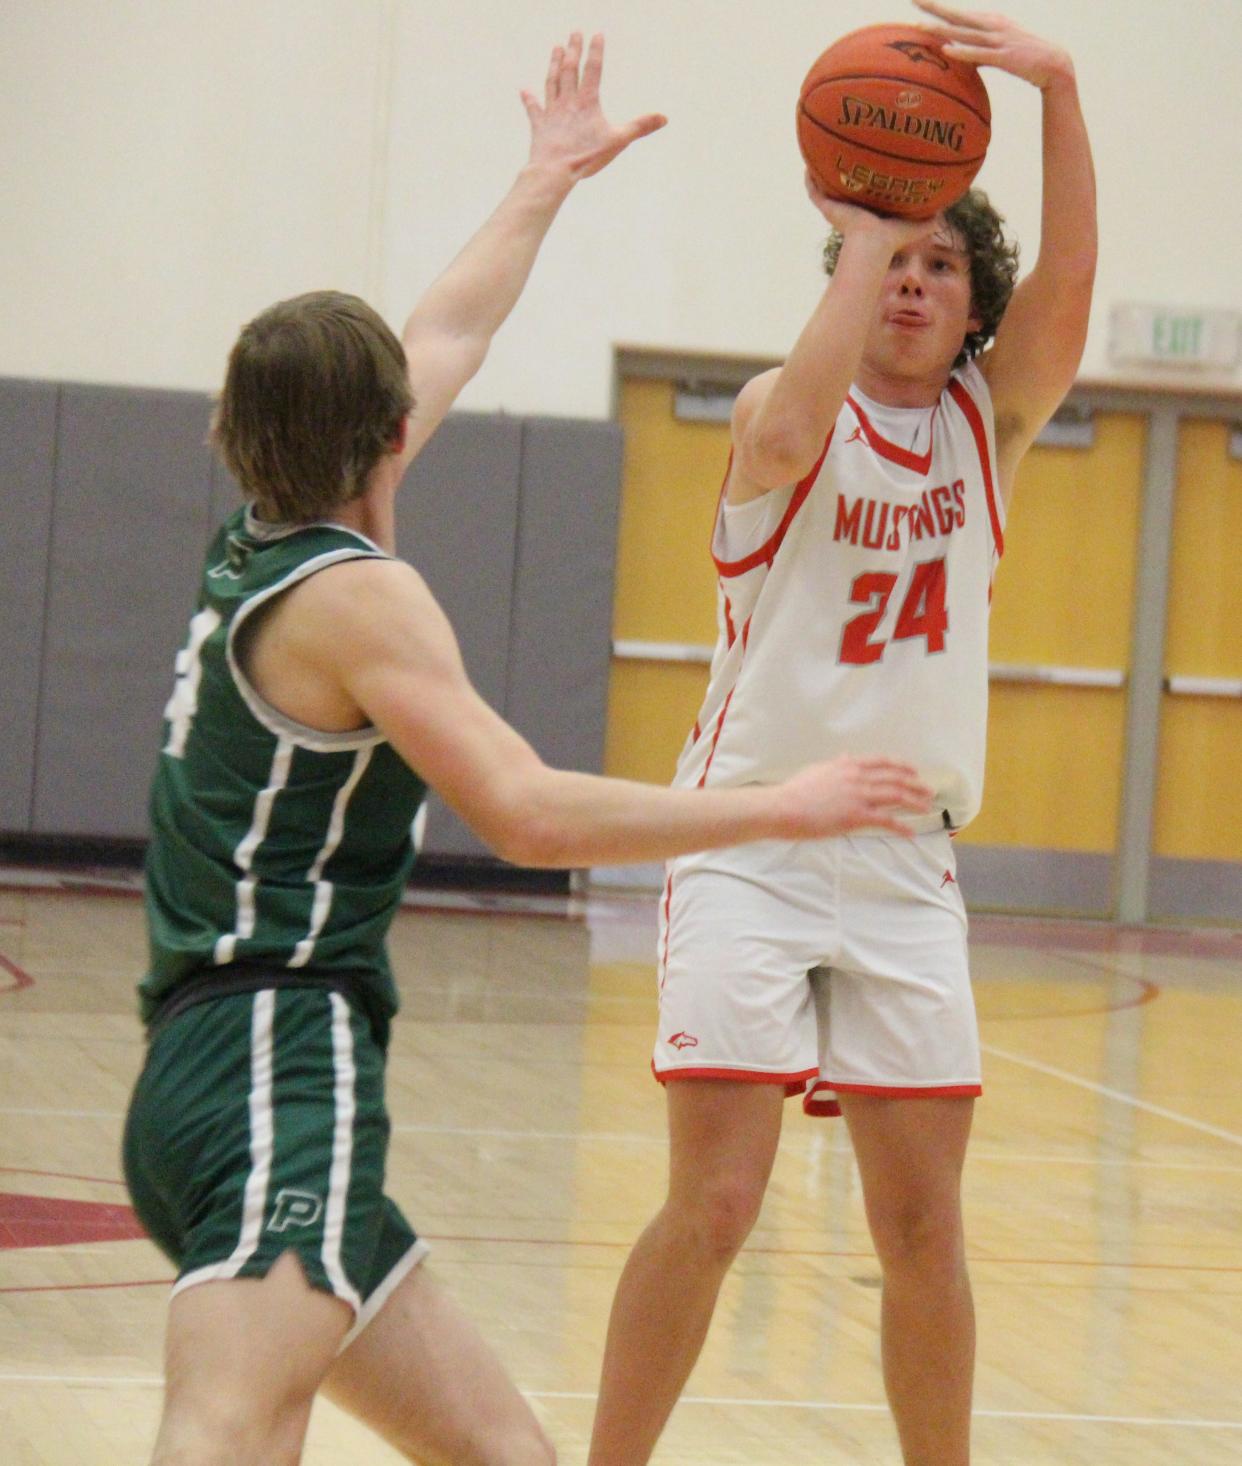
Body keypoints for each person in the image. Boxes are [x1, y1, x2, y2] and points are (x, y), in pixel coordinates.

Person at [120, 32, 933, 1466]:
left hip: (229, 1058)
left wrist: (543, 178)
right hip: (270, 1047)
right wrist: (773, 804)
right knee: (231, 1419)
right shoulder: (361, 595)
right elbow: (527, 814)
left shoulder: (262, 534)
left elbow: (445, 329)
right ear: (388, 434)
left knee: (511, 1455)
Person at [585, 4, 1097, 1465]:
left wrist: (1056, 94)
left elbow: (1064, 289)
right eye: (894, 259)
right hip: (748, 831)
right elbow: (797, 412)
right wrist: (872, 212)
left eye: (944, 262)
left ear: (970, 306)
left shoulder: (983, 433)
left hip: (899, 854)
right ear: (851, 275)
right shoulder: (780, 412)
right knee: (720, 1201)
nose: (915, 279)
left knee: (923, 1219)